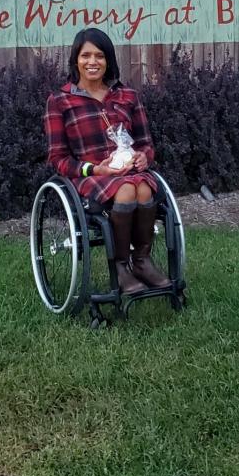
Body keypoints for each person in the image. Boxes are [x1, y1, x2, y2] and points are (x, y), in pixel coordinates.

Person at [44, 28, 170, 295]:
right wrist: (94, 168)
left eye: (99, 56)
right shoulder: (60, 101)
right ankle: (121, 267)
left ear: (108, 60)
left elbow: (146, 143)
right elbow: (58, 159)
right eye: (86, 55)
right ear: (75, 59)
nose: (92, 62)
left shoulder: (127, 96)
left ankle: (142, 261)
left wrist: (142, 157)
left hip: (130, 171)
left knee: (144, 188)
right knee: (126, 190)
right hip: (91, 175)